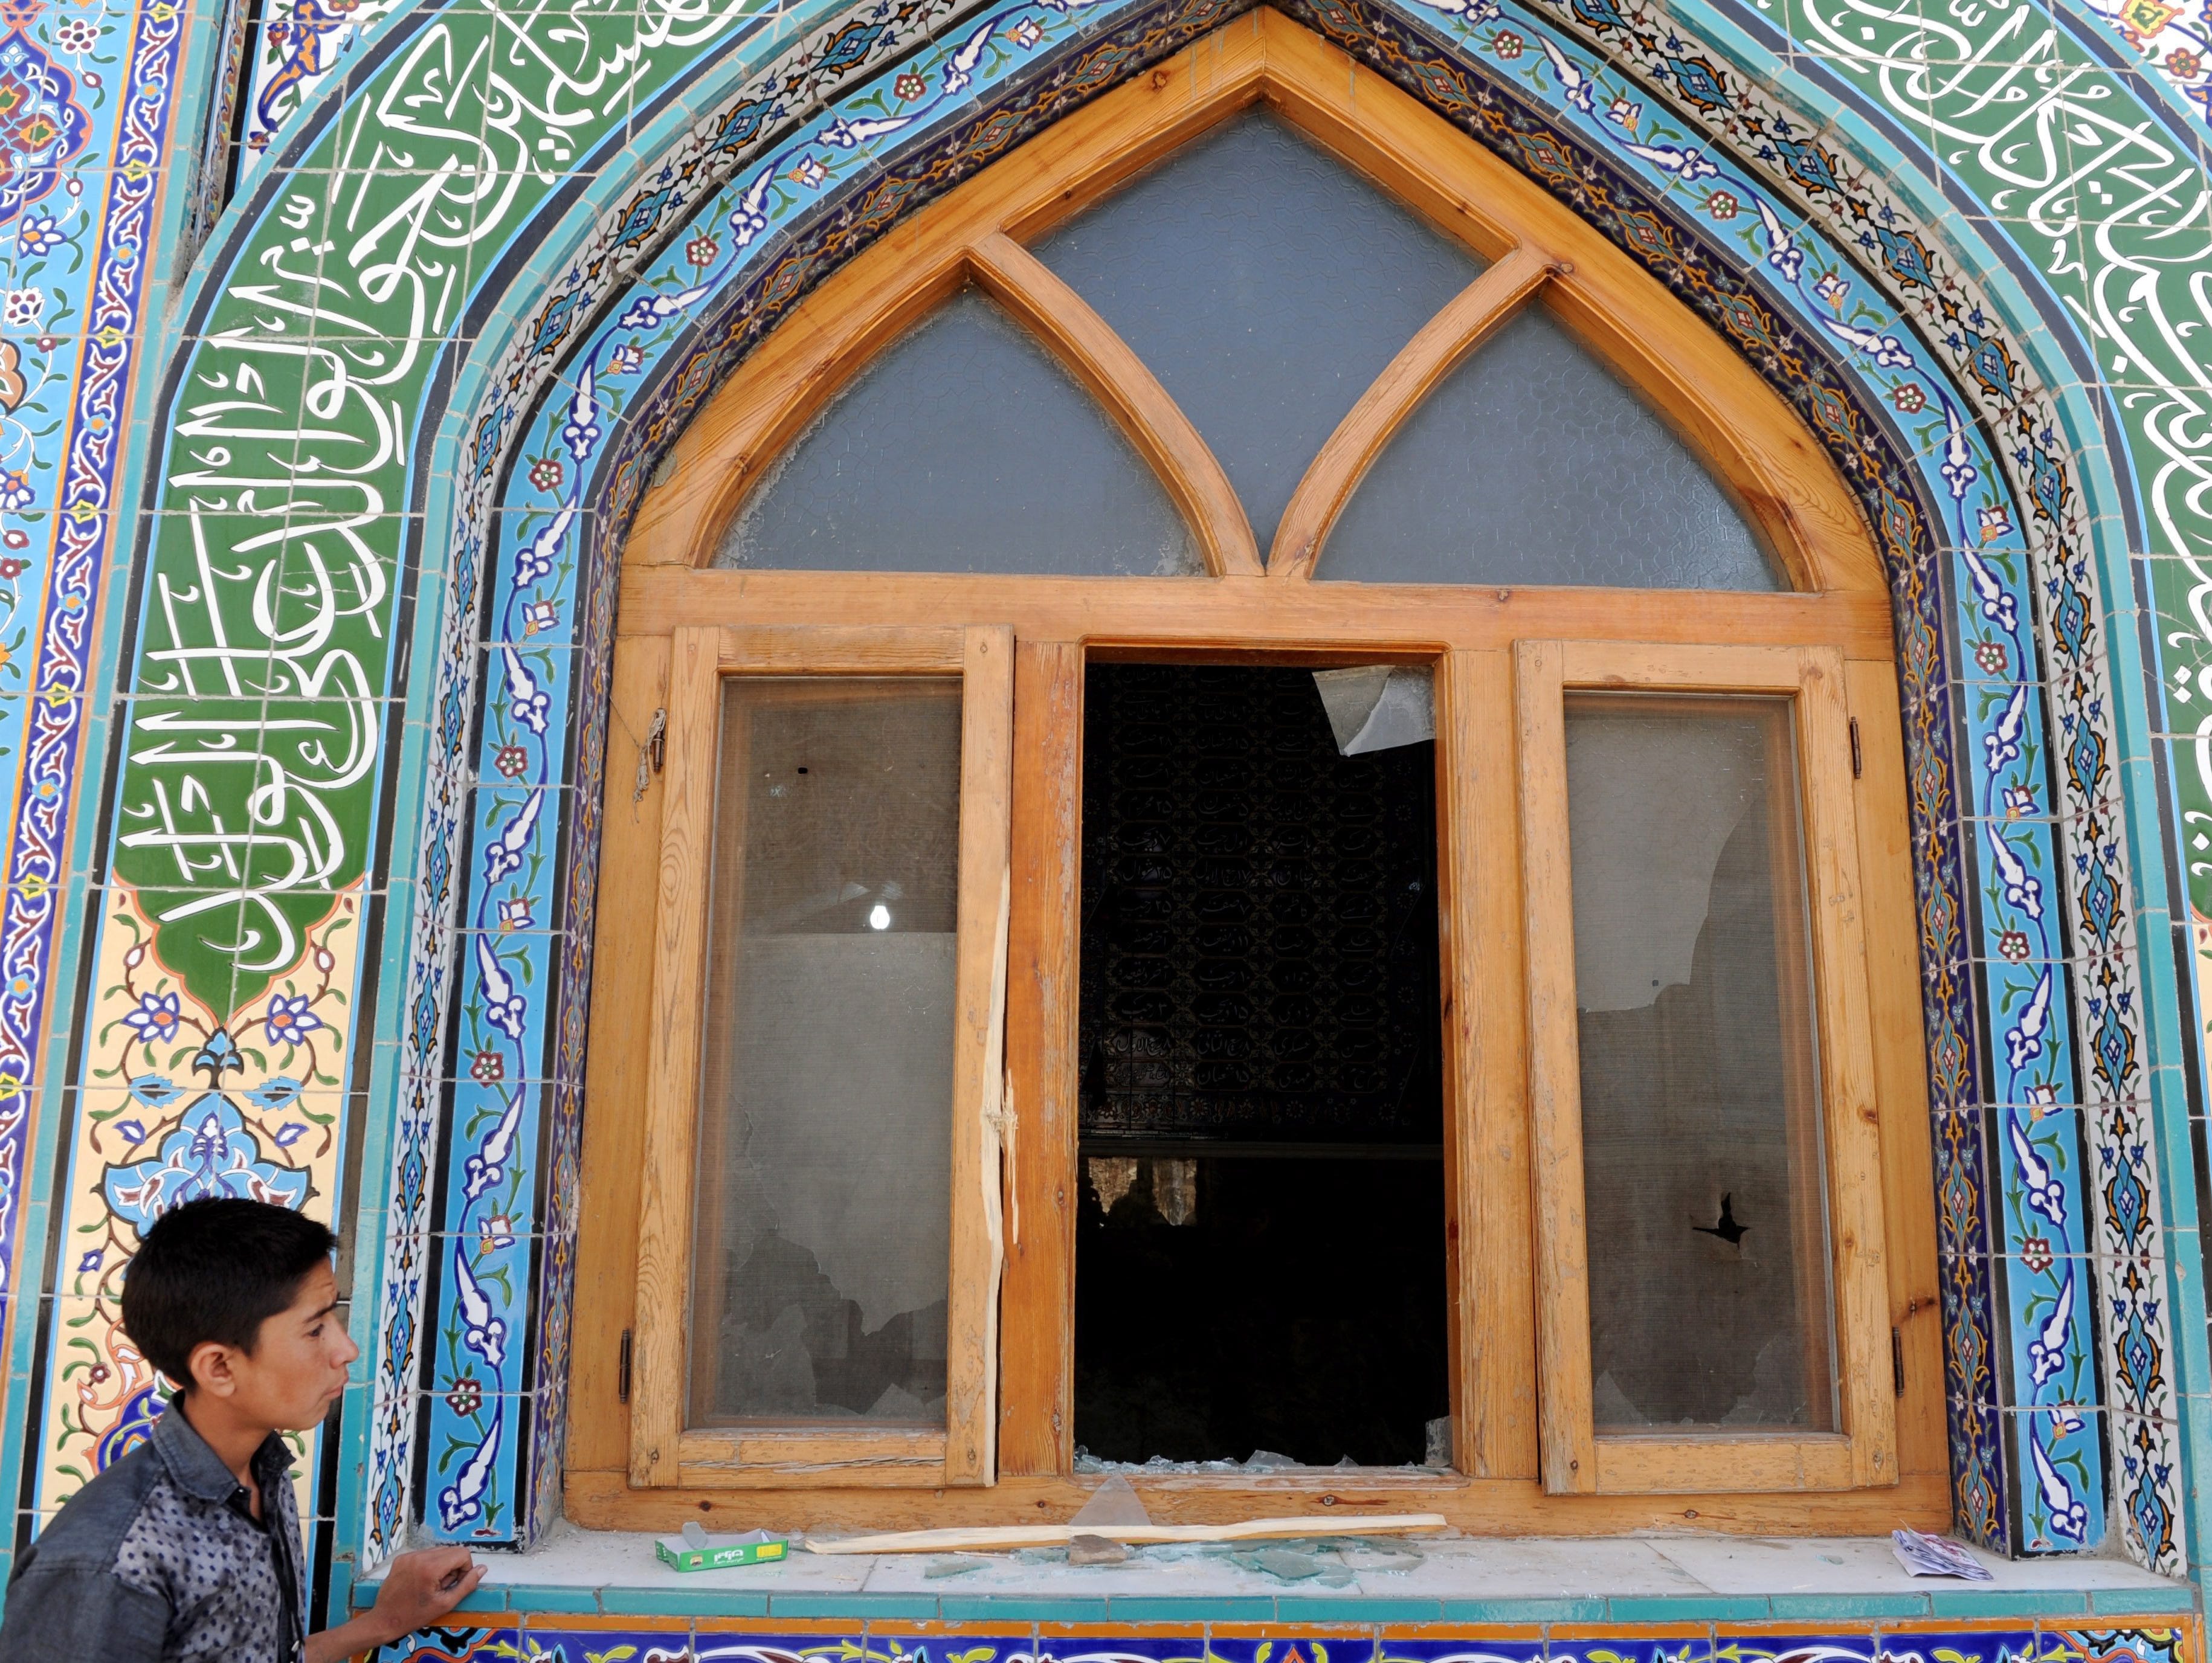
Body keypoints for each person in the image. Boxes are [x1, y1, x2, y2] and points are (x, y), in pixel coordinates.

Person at [0, 1197, 486, 1661]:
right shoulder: (109, 1562)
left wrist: (383, 1623)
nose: (346, 1350)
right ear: (219, 1369)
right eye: (315, 1330)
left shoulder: (261, 1475)